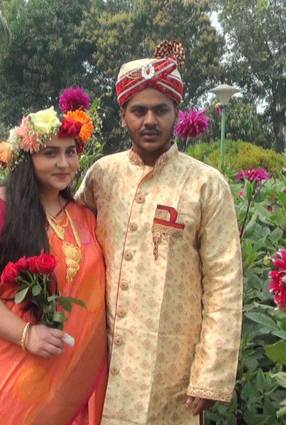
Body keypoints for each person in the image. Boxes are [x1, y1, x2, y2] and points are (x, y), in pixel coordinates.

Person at [77, 40, 243, 424]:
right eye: (138, 110)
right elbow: (66, 232)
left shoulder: (206, 185)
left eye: (160, 110)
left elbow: (224, 281)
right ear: (123, 116)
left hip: (172, 374)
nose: (149, 120)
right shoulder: (102, 176)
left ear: (176, 113)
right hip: (102, 362)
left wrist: (211, 373)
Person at [0, 99, 107, 425]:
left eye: (70, 152)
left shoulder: (83, 215)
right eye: (50, 153)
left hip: (75, 374)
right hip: (12, 377)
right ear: (28, 157)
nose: (63, 163)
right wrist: (26, 334)